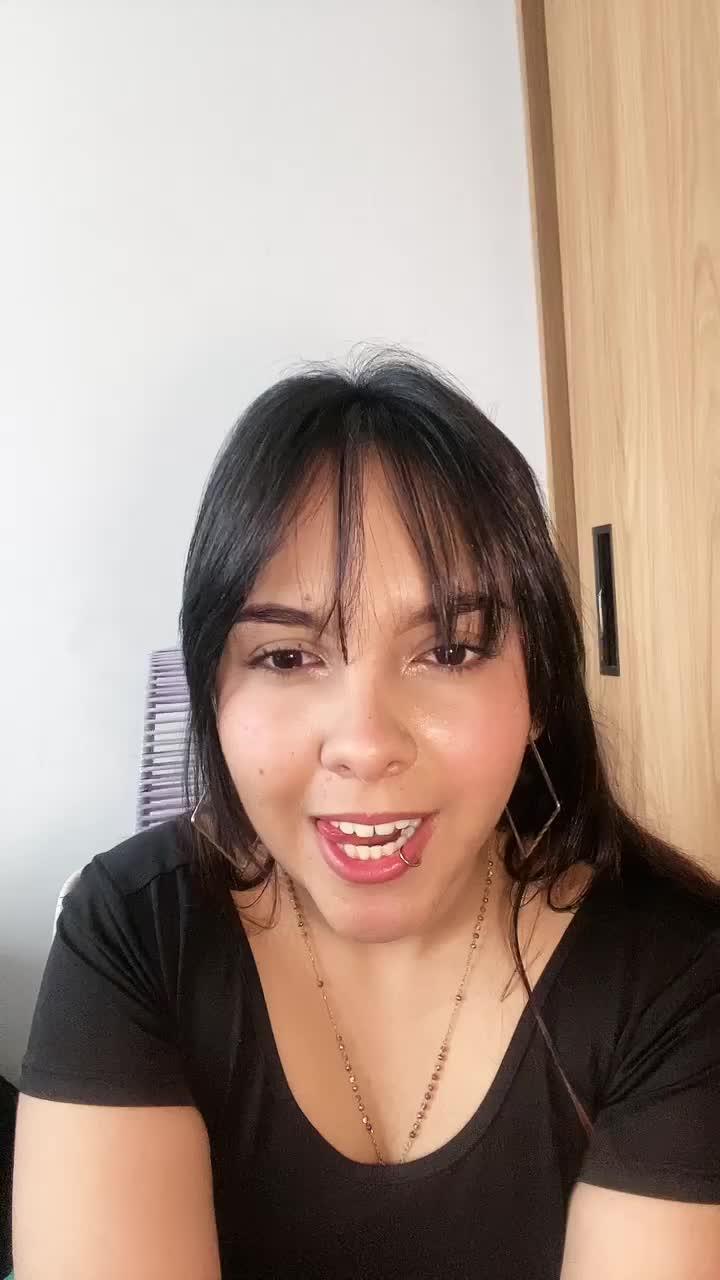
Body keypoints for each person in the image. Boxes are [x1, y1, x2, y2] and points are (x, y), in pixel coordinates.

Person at [12, 352, 720, 1279]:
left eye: (450, 651)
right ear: (213, 691)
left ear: (541, 687)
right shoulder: (135, 932)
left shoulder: (676, 978)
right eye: (286, 657)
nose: (365, 744)